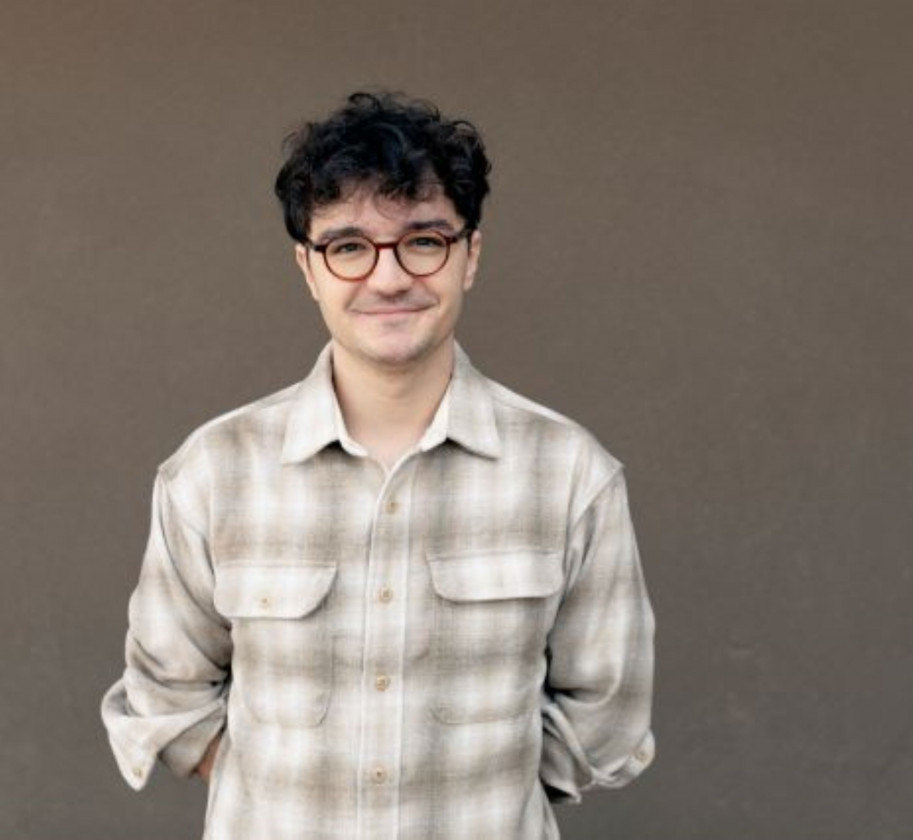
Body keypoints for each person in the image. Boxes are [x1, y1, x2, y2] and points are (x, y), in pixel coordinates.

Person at [101, 91, 655, 839]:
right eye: (349, 246)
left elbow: (608, 715)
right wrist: (285, 794)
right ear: (309, 267)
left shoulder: (569, 475)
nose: (388, 279)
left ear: (470, 256)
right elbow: (167, 695)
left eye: (423, 241)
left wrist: (480, 796)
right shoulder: (213, 472)